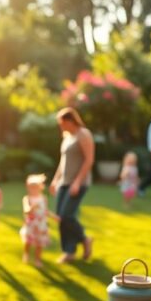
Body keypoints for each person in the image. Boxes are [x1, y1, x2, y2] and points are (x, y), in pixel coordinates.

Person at [49, 106, 95, 263]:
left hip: (78, 183)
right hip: (64, 181)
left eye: (62, 123)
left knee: (66, 215)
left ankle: (84, 239)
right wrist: (55, 180)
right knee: (60, 217)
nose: (60, 126)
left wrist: (77, 182)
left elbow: (89, 160)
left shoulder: (83, 134)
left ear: (70, 121)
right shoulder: (67, 137)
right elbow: (63, 162)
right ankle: (69, 252)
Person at [20, 174, 54, 267]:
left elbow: (45, 210)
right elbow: (26, 211)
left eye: (36, 187)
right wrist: (32, 207)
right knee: (28, 242)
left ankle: (37, 259)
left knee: (40, 243)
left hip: (41, 225)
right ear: (28, 188)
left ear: (41, 187)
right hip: (31, 225)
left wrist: (54, 216)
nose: (34, 189)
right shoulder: (27, 198)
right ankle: (26, 254)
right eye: (31, 187)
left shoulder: (43, 198)